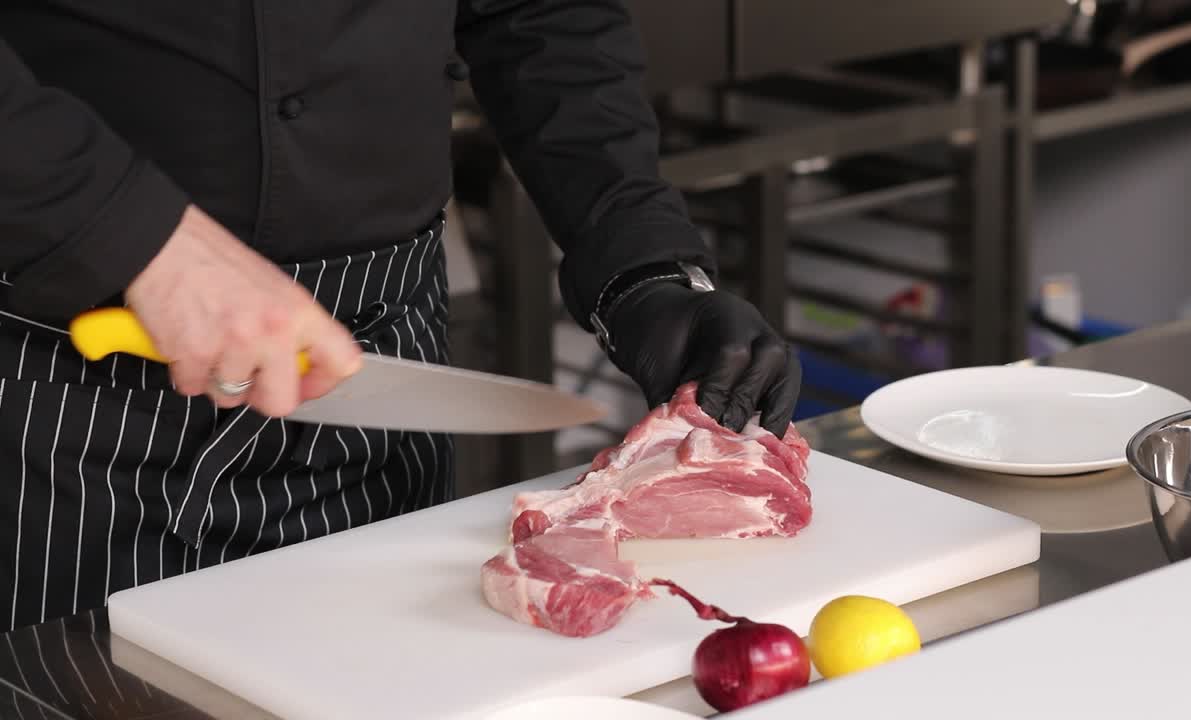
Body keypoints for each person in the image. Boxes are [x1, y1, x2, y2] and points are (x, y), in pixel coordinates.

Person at [0, 1, 802, 633]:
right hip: (58, 377)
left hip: (378, 360)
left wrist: (641, 263)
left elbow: (536, 11)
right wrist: (131, 235)